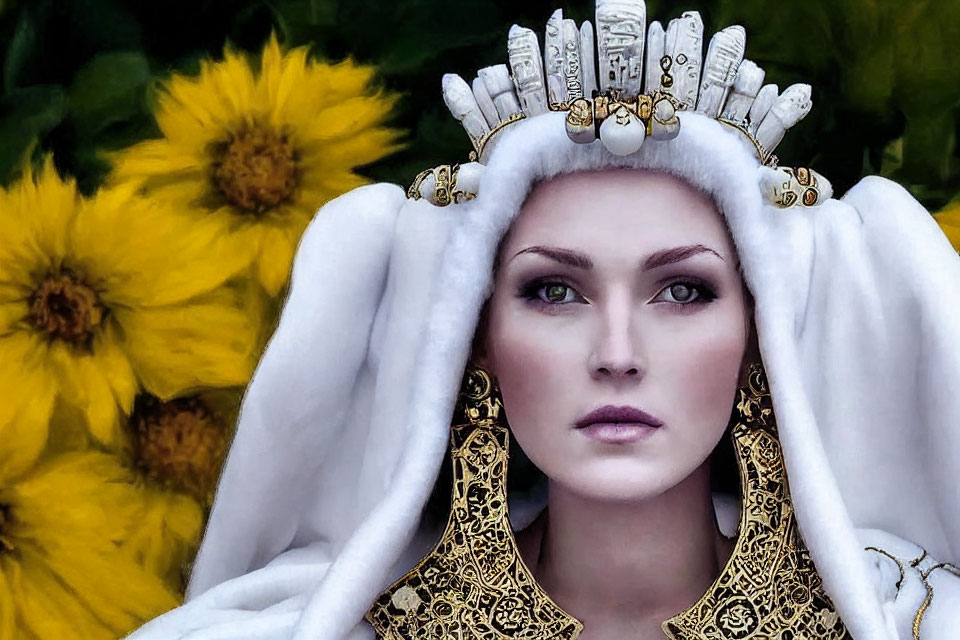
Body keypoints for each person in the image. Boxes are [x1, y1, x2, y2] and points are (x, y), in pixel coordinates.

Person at [125, 1, 960, 638]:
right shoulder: (326, 625)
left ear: (758, 339)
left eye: (683, 292)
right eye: (555, 292)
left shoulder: (914, 618)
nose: (618, 354)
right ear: (477, 337)